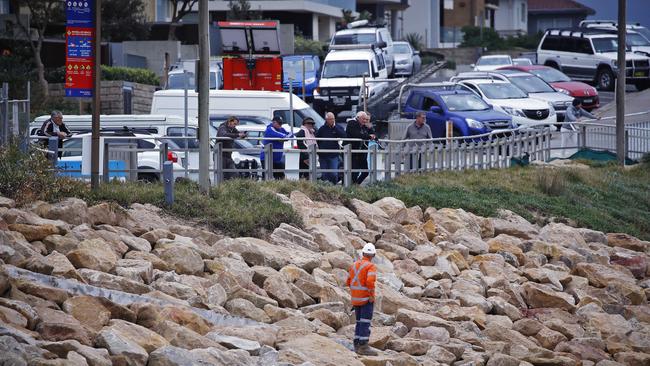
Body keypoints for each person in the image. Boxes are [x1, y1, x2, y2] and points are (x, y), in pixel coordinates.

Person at [346, 243, 378, 356]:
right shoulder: (370, 266)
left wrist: (356, 293)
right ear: (373, 255)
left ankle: (356, 343)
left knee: (359, 322)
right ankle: (363, 346)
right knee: (365, 322)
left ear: (363, 253)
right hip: (365, 299)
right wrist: (370, 295)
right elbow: (370, 282)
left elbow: (348, 282)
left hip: (356, 299)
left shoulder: (354, 265)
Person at [345, 111, 376, 185]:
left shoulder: (364, 125)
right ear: (358, 118)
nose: (365, 121)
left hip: (361, 152)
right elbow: (357, 134)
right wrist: (369, 136)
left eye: (366, 119)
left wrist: (371, 130)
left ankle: (355, 185)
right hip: (352, 151)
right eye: (363, 119)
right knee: (354, 172)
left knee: (365, 172)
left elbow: (373, 135)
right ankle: (350, 187)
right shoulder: (352, 123)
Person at [316, 112, 346, 184]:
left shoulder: (338, 127)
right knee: (325, 175)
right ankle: (326, 190)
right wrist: (320, 150)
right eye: (330, 119)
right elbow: (317, 139)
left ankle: (334, 187)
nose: (332, 121)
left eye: (333, 119)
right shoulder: (322, 129)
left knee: (333, 174)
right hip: (323, 155)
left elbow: (344, 135)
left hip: (333, 155)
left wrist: (334, 127)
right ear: (326, 120)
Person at [217, 116, 247, 180]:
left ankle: (231, 187)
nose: (235, 126)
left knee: (234, 173)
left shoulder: (232, 128)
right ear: (230, 122)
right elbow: (224, 135)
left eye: (236, 124)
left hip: (228, 155)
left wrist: (243, 135)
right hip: (221, 155)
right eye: (234, 124)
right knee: (222, 174)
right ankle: (221, 188)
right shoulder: (222, 127)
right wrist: (238, 135)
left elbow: (237, 133)